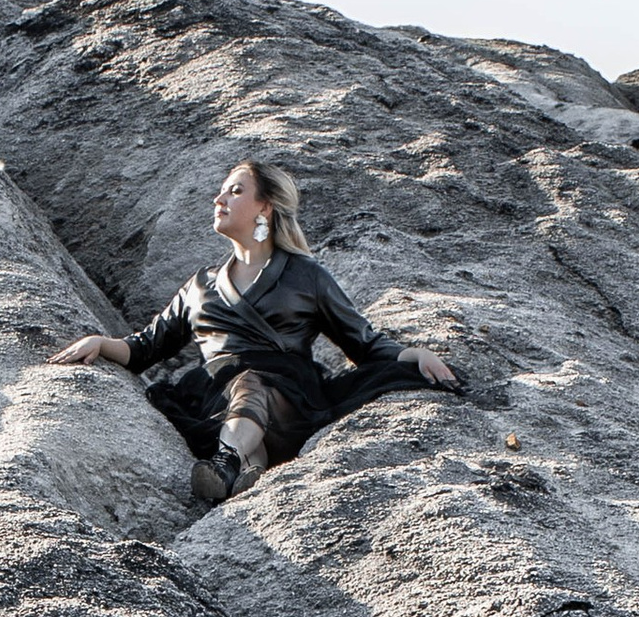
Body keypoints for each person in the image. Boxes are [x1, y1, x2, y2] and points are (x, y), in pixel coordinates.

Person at [51, 154, 462, 504]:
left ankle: (226, 463)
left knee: (253, 384)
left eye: (234, 190)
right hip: (216, 399)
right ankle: (250, 469)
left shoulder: (306, 275)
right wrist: (101, 343)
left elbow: (365, 343)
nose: (219, 198)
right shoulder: (200, 284)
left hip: (291, 400)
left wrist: (416, 355)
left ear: (264, 208)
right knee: (242, 389)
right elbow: (144, 349)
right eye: (223, 190)